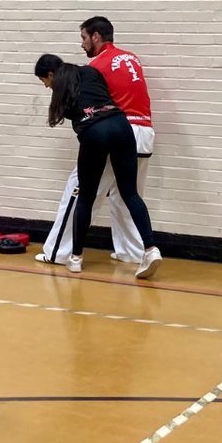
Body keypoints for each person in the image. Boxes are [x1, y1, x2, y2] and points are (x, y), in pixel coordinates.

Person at [37, 17, 153, 266]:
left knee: (80, 192)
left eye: (83, 38)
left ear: (96, 36)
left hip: (117, 127)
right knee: (127, 196)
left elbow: (93, 101)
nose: (82, 44)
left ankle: (61, 252)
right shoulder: (131, 58)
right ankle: (134, 252)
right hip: (144, 130)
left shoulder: (96, 66)